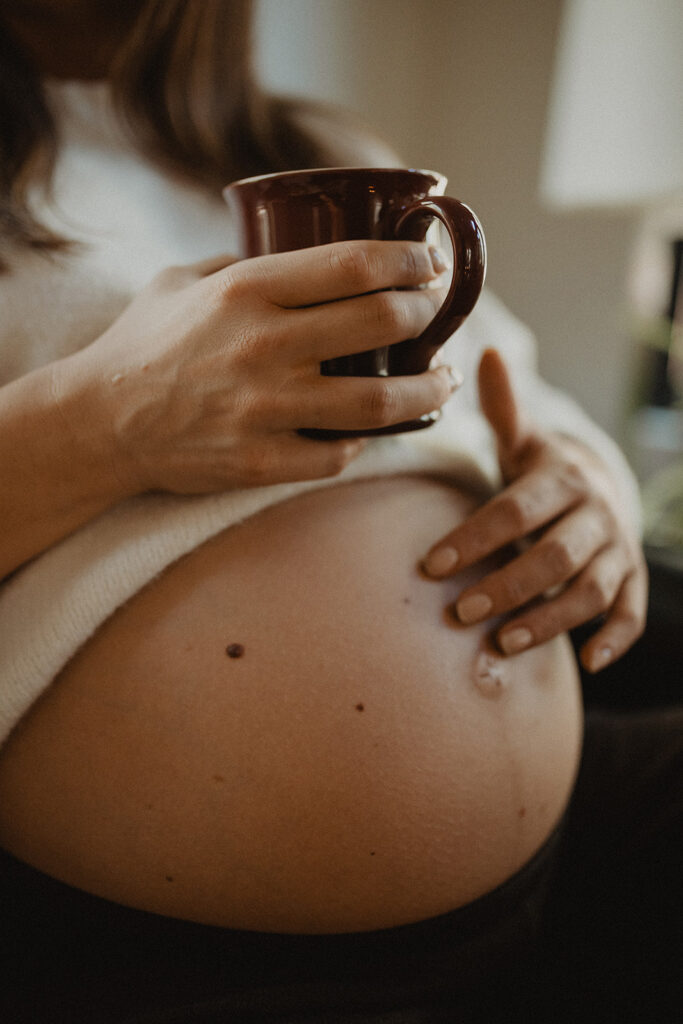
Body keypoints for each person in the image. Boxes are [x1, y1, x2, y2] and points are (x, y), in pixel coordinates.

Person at [0, 2, 678, 1022]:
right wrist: (101, 424)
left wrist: (591, 485)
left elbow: (518, 387)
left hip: (566, 824)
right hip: (185, 943)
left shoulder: (316, 149)